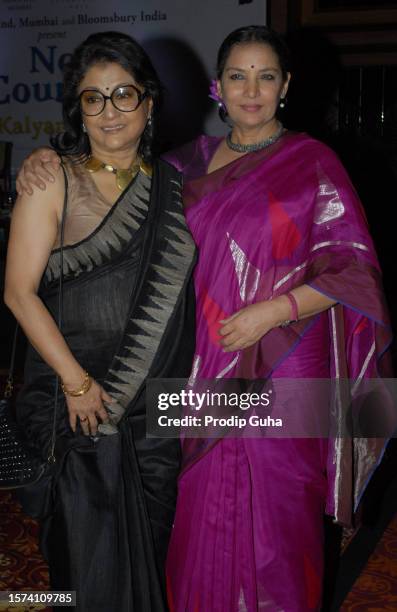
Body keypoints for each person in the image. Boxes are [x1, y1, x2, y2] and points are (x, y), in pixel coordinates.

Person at [16, 26, 393, 612]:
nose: (251, 90)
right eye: (238, 76)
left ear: (285, 86)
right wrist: (44, 158)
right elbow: (101, 174)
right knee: (194, 512)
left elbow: (357, 269)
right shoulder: (181, 165)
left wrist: (274, 310)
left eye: (266, 76)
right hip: (195, 369)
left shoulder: (314, 161)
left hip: (286, 366)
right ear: (218, 88)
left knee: (277, 517)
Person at [5, 31, 196, 612]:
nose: (110, 111)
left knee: (150, 552)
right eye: (94, 98)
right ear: (78, 110)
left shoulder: (181, 183)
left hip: (157, 411)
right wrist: (78, 383)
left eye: (123, 94)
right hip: (76, 404)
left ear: (149, 102)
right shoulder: (52, 179)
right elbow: (17, 293)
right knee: (82, 565)